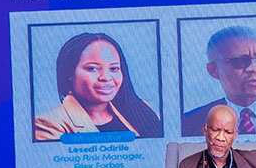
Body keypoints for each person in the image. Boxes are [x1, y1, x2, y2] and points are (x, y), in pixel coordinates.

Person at [34, 32, 163, 141]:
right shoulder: (48, 124)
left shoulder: (143, 110)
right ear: (69, 73)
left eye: (114, 68)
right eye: (92, 68)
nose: (106, 77)